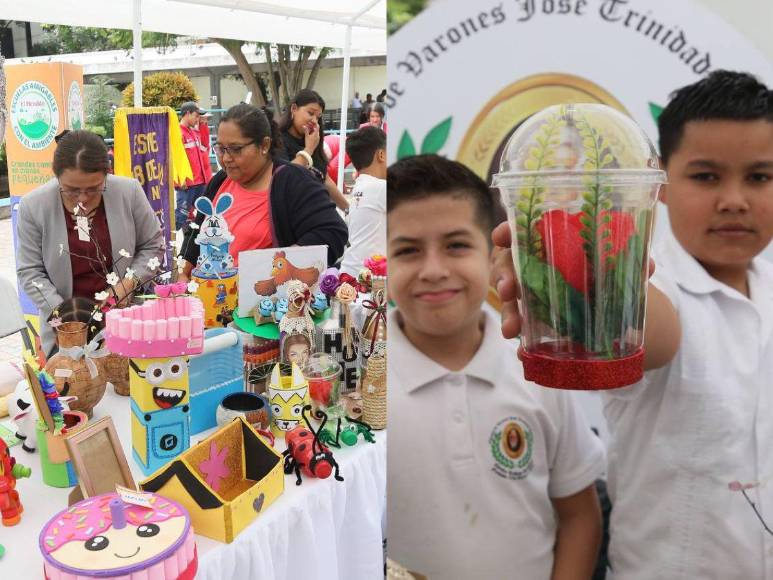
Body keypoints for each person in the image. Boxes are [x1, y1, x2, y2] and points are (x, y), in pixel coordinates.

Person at [492, 70, 773, 579]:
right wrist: (556, 266)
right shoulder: (651, 291)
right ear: (660, 182)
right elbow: (653, 333)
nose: (734, 199)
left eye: (760, 176)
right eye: (706, 176)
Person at [387, 154, 605, 580]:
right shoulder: (366, 387)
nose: (433, 270)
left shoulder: (539, 370)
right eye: (408, 250)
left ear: (493, 253)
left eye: (456, 245)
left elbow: (580, 517)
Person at [16, 130, 164, 356]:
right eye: (72, 190)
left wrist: (128, 283)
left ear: (107, 174)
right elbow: (30, 271)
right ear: (57, 176)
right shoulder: (34, 206)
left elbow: (153, 245)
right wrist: (66, 314)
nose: (83, 198)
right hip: (66, 330)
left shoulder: (128, 192)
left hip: (124, 319)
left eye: (94, 188)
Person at [178, 103, 348, 276]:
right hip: (208, 294)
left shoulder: (293, 181)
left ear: (264, 145)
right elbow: (196, 230)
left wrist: (278, 269)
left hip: (262, 298)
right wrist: (183, 272)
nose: (226, 158)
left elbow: (332, 232)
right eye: (221, 149)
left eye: (236, 149)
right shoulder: (220, 182)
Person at [277, 89, 349, 210]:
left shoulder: (312, 138)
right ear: (294, 108)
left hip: (321, 209)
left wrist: (348, 209)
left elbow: (324, 178)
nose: (314, 120)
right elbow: (285, 176)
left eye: (318, 117)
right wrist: (308, 149)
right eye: (311, 113)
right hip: (298, 213)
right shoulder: (279, 140)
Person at [339, 126, 386, 276]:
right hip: (368, 277)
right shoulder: (380, 188)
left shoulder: (359, 186)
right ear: (381, 155)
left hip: (350, 271)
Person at [175, 101, 213, 228]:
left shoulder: (193, 132)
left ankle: (192, 242)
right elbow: (174, 158)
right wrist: (180, 179)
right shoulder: (178, 133)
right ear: (187, 114)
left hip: (200, 182)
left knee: (205, 213)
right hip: (187, 184)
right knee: (181, 217)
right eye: (196, 116)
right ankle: (170, 245)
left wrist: (203, 125)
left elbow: (204, 150)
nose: (198, 119)